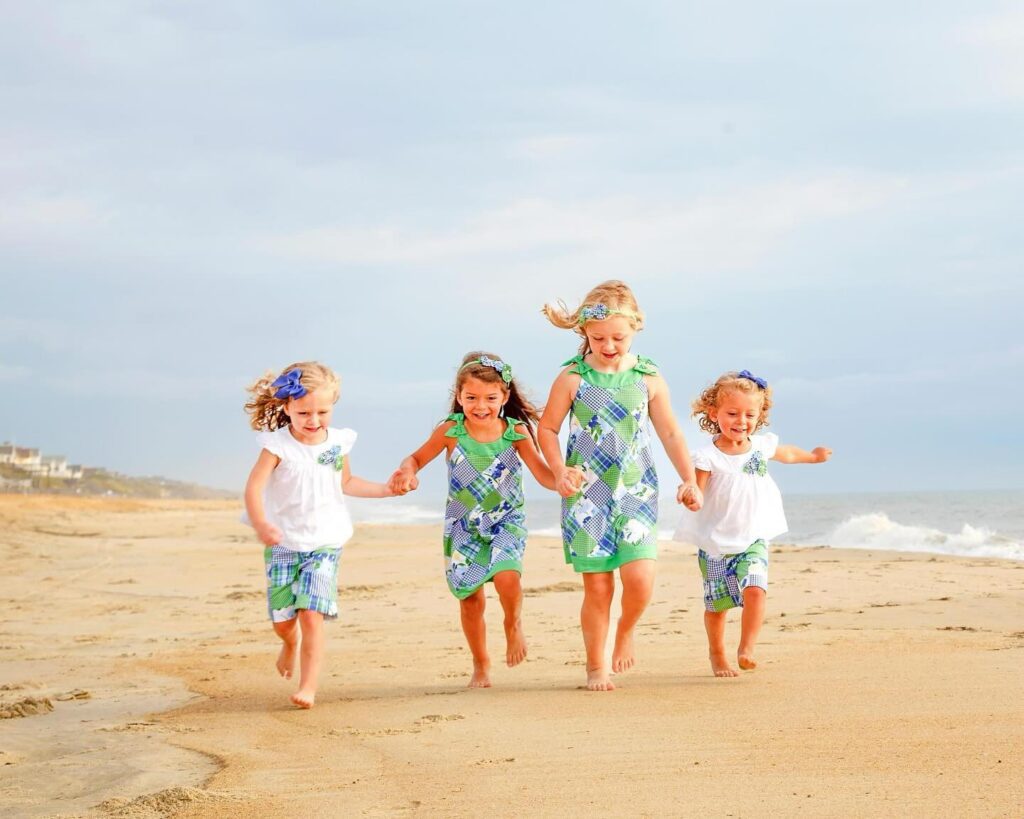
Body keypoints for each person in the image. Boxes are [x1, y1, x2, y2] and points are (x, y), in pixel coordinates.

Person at [539, 281, 703, 691]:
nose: (608, 345)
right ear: (584, 333)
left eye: (618, 337)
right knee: (597, 586)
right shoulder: (572, 377)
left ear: (635, 330)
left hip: (636, 492)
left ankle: (626, 629)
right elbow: (547, 428)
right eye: (598, 338)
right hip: (585, 495)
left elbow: (670, 433)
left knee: (641, 579)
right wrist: (559, 470)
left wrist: (688, 479)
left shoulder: (648, 376)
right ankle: (597, 667)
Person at [389, 352, 572, 688]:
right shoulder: (450, 431)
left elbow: (543, 475)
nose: (480, 405)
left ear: (504, 397)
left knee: (507, 578)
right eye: (471, 397)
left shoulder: (515, 433)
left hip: (507, 521)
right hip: (463, 527)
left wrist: (562, 480)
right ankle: (481, 663)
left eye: (490, 398)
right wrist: (407, 472)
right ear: (458, 397)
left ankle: (513, 622)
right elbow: (415, 458)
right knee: (470, 600)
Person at [243, 361, 394, 708]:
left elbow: (348, 483)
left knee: (311, 613)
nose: (313, 420)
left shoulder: (338, 443)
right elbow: (253, 490)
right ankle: (288, 643)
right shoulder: (277, 447)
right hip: (283, 543)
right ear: (286, 408)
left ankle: (308, 686)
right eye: (304, 412)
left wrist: (386, 490)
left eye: (322, 411)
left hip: (325, 541)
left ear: (334, 406)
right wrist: (261, 523)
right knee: (284, 620)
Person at [674, 370, 831, 677]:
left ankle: (746, 648)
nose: (741, 421)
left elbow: (786, 453)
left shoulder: (760, 446)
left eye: (750, 414)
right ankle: (717, 653)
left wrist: (812, 457)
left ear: (760, 416)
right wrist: (690, 495)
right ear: (713, 413)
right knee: (717, 606)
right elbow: (698, 490)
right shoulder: (707, 456)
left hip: (753, 536)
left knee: (756, 589)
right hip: (716, 543)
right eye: (732, 413)